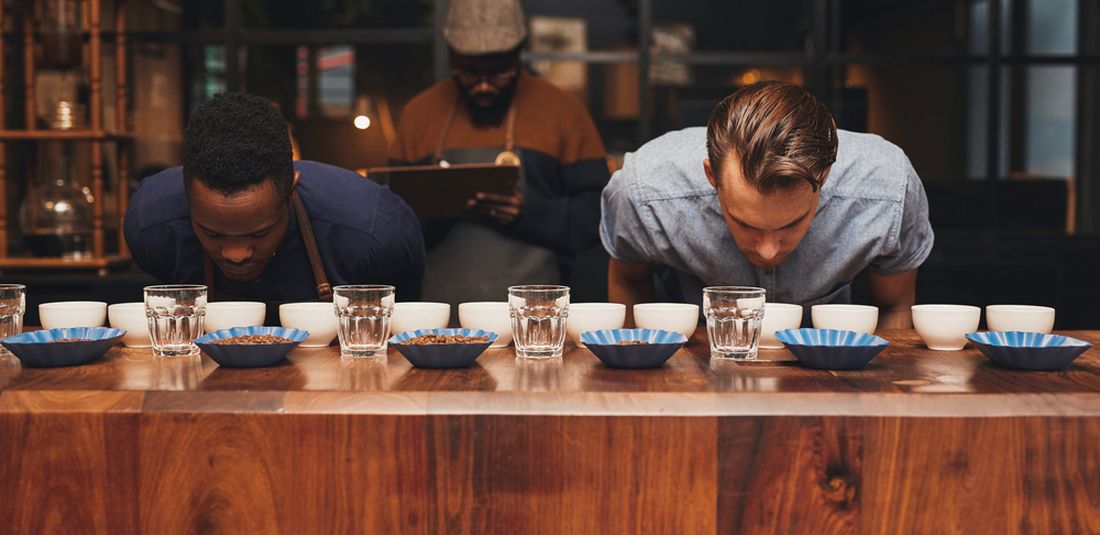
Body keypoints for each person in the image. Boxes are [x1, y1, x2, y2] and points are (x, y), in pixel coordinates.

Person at [600, 81, 934, 329]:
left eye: (792, 223)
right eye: (745, 223)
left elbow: (895, 305)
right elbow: (629, 279)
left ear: (825, 175)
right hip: (694, 355)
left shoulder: (888, 190)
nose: (769, 251)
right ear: (711, 176)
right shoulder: (646, 190)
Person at [388, 0, 610, 305]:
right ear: (452, 55)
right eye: (468, 71)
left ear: (518, 54)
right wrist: (437, 209)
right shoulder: (418, 114)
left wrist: (529, 213)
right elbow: (389, 225)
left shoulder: (563, 111)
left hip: (537, 317)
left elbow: (598, 216)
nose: (482, 86)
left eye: (498, 72)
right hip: (435, 316)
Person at [125, 92, 425, 308]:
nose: (236, 254)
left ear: (291, 190)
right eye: (212, 233)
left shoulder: (374, 232)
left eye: (259, 233)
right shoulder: (151, 226)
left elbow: (404, 329)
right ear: (186, 196)